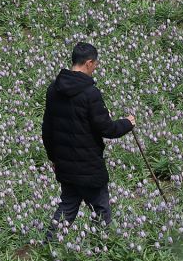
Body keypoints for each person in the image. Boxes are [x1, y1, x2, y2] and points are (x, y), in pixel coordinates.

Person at [42, 42, 136, 241]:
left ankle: (48, 245)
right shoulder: (90, 93)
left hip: (65, 165)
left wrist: (54, 158)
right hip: (89, 166)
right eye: (95, 64)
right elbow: (106, 129)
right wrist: (127, 123)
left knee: (67, 206)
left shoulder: (54, 89)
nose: (96, 68)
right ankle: (102, 248)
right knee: (101, 208)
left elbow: (47, 129)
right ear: (88, 63)